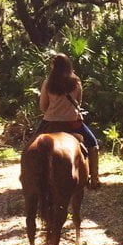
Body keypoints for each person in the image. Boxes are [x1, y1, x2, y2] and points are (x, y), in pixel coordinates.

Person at [38, 53, 101, 188]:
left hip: (50, 122)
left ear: (53, 66)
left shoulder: (47, 83)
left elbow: (43, 106)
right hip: (72, 123)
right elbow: (78, 102)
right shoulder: (76, 82)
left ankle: (29, 177)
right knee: (92, 143)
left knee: (30, 144)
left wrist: (54, 112)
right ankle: (94, 178)